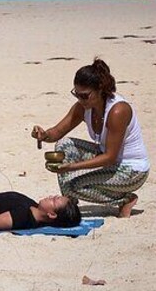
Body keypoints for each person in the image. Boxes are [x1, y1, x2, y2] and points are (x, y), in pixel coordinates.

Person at [31, 58, 149, 217]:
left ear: (100, 89)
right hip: (108, 159)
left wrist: (72, 167)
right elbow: (57, 132)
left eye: (84, 95)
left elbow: (110, 157)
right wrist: (43, 135)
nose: (80, 99)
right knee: (64, 144)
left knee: (72, 184)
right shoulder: (83, 107)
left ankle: (124, 200)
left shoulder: (118, 111)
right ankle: (70, 203)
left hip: (132, 170)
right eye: (76, 94)